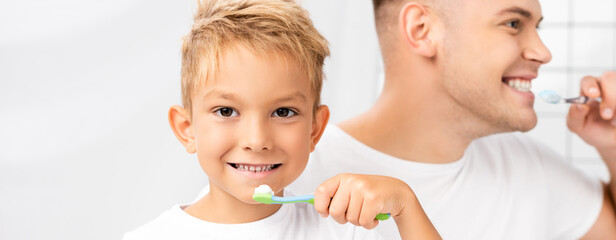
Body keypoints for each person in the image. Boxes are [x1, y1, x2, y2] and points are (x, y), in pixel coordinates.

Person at [288, 0, 616, 239]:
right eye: (513, 23)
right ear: (422, 30)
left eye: (536, 26)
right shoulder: (292, 176)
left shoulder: (526, 169)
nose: (543, 52)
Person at [123, 0, 441, 239]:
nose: (257, 140)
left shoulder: (345, 230)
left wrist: (405, 206)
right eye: (226, 111)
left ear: (314, 129)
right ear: (186, 129)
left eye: (283, 112)